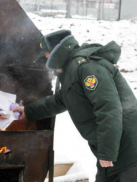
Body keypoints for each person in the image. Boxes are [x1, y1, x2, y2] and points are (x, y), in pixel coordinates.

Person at [11, 30, 137, 182]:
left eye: (46, 53)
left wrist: (107, 152)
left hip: (127, 150)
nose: (45, 58)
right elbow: (59, 101)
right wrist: (28, 111)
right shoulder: (72, 71)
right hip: (114, 149)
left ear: (56, 52)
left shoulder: (88, 68)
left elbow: (108, 109)